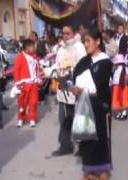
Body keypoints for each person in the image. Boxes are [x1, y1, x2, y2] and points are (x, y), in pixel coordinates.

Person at [72, 29, 113, 180]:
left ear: (98, 41)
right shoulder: (84, 61)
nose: (86, 44)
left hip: (98, 106)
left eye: (89, 41)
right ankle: (88, 172)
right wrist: (74, 88)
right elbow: (75, 77)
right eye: (85, 41)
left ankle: (102, 172)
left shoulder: (105, 62)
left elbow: (101, 86)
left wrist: (83, 89)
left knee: (99, 139)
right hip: (83, 104)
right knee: (86, 139)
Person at [45, 24, 86, 156]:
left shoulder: (79, 47)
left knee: (79, 117)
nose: (64, 36)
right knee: (64, 118)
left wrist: (71, 72)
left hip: (76, 87)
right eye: (63, 33)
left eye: (67, 33)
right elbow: (57, 64)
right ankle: (65, 145)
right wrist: (48, 72)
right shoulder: (61, 48)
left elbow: (83, 67)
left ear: (73, 33)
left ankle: (82, 147)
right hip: (63, 88)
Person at [13, 39, 41, 128]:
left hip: (34, 83)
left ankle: (32, 118)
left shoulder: (35, 57)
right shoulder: (20, 56)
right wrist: (18, 82)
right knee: (22, 103)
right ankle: (21, 118)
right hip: (24, 84)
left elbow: (38, 68)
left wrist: (39, 78)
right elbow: (16, 70)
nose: (34, 48)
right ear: (27, 48)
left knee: (34, 102)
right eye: (33, 46)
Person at [111, 54, 128, 120]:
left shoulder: (125, 69)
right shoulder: (116, 69)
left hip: (123, 86)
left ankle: (124, 113)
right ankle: (119, 112)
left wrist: (125, 82)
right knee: (117, 99)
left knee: (123, 99)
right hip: (116, 86)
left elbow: (127, 77)